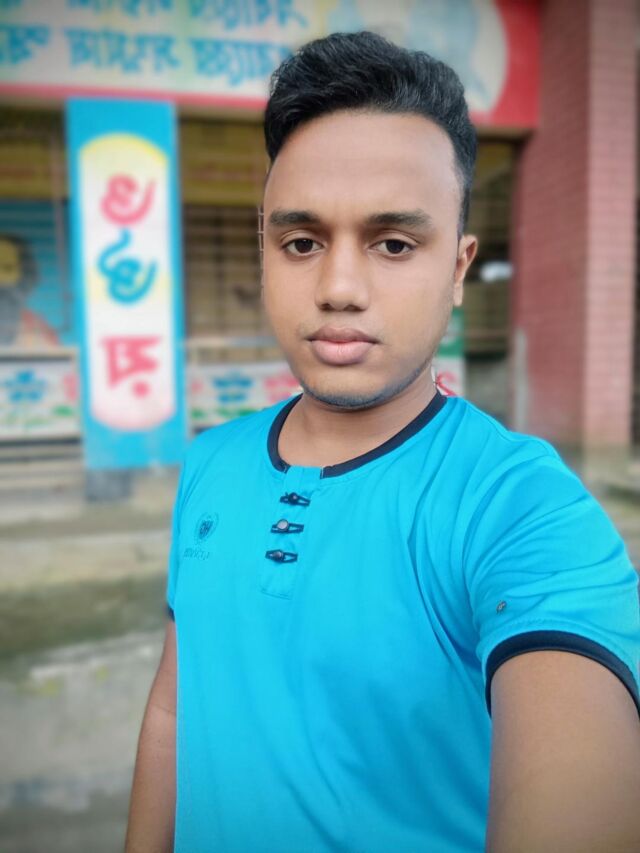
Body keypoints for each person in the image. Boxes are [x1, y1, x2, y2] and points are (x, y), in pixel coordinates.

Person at [125, 31, 640, 853]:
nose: (338, 287)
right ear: (264, 249)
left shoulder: (519, 506)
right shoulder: (210, 461)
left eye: (394, 243)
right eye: (301, 242)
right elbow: (173, 711)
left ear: (459, 266)